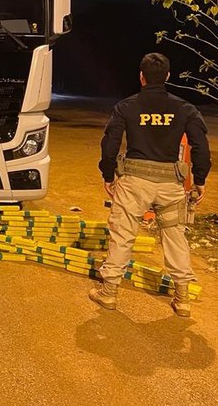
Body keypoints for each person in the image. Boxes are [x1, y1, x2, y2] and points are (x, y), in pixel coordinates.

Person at [89, 53, 211, 317]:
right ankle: (182, 299)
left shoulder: (126, 106)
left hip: (134, 182)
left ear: (141, 76)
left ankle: (109, 293)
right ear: (167, 76)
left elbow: (109, 142)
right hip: (171, 184)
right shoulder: (185, 108)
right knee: (175, 237)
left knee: (123, 234)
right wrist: (199, 180)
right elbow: (200, 146)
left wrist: (108, 175)